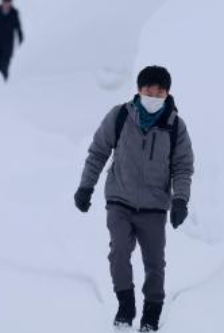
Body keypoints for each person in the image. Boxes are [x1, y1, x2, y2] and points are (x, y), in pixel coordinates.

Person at [74, 66, 195, 332]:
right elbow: (98, 152)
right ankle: (125, 305)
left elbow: (182, 166)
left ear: (167, 93)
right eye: (149, 91)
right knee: (118, 253)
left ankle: (151, 314)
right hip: (120, 200)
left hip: (154, 206)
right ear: (139, 90)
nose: (154, 96)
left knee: (155, 264)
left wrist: (180, 200)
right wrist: (86, 187)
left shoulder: (175, 126)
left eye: (159, 92)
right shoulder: (120, 116)